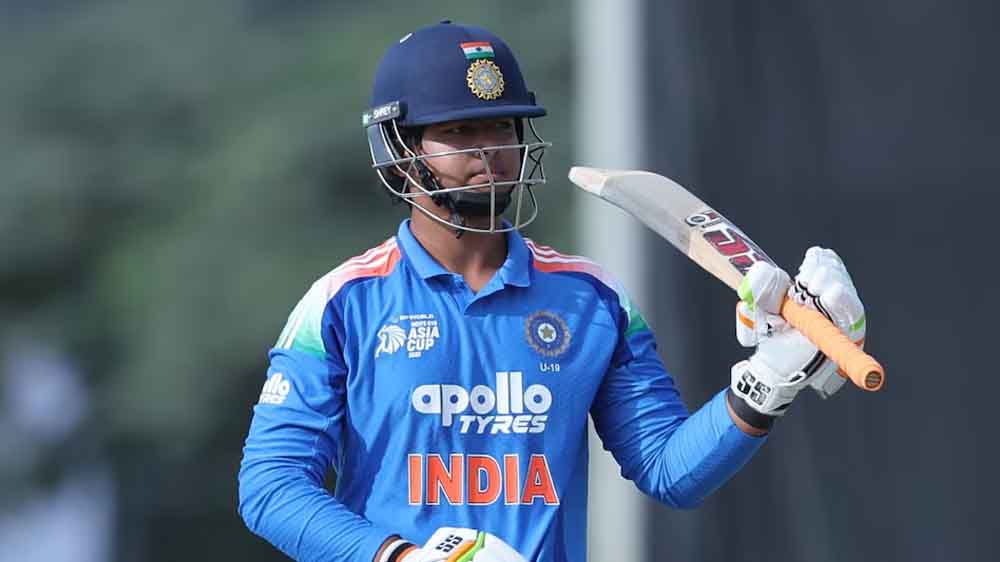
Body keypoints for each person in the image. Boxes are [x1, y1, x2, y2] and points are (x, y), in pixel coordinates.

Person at [238, 21, 867, 562]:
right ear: (400, 149)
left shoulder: (590, 299)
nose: (489, 150)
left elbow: (669, 470)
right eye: (458, 132)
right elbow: (270, 485)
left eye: (501, 126)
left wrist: (767, 381)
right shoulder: (343, 303)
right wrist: (399, 556)